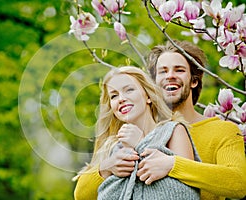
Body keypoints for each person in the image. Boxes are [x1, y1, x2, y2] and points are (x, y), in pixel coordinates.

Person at [73, 40, 246, 200]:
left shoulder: (222, 130)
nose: (170, 76)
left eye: (179, 70)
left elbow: (238, 184)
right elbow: (81, 194)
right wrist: (105, 168)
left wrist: (173, 164)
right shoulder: (133, 131)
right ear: (153, 83)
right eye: (163, 71)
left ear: (194, 81)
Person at [74, 66, 201, 199]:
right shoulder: (112, 146)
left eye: (129, 90)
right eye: (114, 95)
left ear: (148, 96)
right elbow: (81, 196)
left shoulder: (173, 131)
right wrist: (106, 168)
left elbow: (186, 195)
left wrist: (141, 143)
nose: (121, 99)